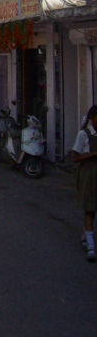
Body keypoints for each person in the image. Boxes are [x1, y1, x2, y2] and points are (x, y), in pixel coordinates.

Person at [72, 105, 97, 262]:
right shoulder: (84, 134)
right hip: (88, 173)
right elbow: (75, 157)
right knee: (89, 208)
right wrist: (92, 154)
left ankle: (86, 235)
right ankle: (91, 244)